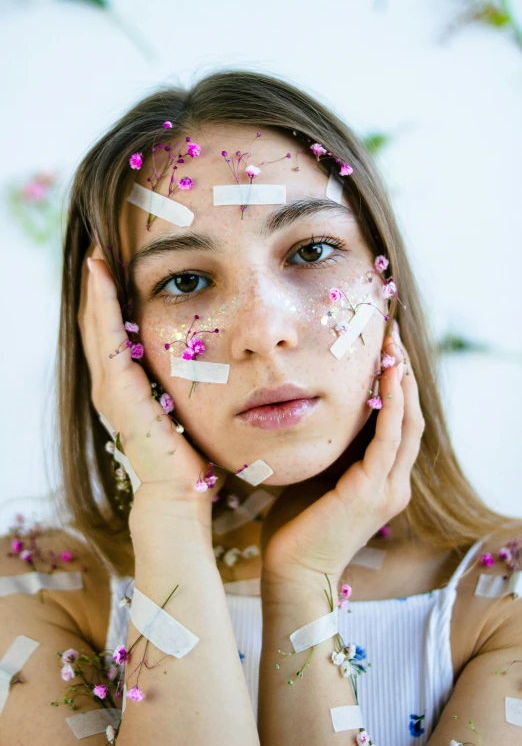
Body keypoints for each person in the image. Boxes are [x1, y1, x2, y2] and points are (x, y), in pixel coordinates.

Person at [1, 70, 521, 746]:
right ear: (115, 337)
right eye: (184, 281)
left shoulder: (501, 597)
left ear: (386, 281)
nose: (262, 331)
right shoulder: (38, 590)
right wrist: (165, 504)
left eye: (311, 250)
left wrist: (304, 587)